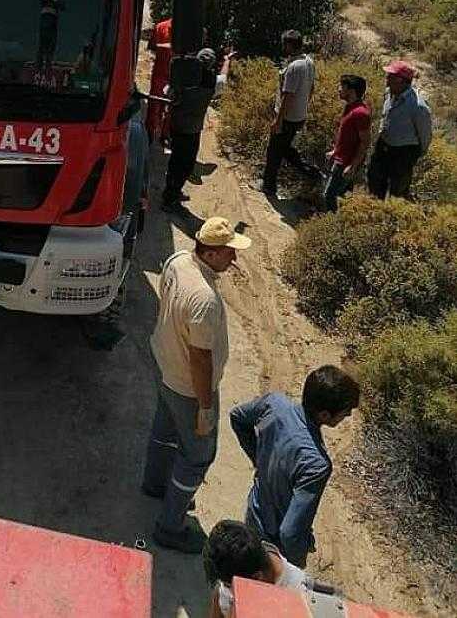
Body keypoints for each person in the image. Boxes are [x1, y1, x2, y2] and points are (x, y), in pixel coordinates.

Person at [142, 217, 254, 553]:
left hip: (165, 364)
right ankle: (170, 526)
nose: (233, 259)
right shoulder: (205, 300)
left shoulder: (178, 261)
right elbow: (201, 359)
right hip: (190, 388)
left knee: (163, 432)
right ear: (212, 253)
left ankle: (155, 485)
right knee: (197, 456)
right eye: (229, 253)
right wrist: (205, 406)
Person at [229, 366, 360, 568]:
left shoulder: (274, 404)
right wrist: (295, 567)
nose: (349, 415)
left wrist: (259, 459)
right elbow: (290, 532)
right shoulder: (316, 464)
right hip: (274, 546)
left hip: (254, 511)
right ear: (325, 415)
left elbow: (238, 417)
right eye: (345, 412)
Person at [161, 48, 233, 213]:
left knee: (176, 162)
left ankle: (172, 193)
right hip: (192, 129)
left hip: (176, 125)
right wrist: (227, 61)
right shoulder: (212, 82)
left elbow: (167, 93)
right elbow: (224, 78)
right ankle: (169, 199)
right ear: (211, 65)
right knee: (184, 165)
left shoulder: (183, 77)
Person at [203, 520, 312, 617]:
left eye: (228, 585)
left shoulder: (299, 601)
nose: (225, 589)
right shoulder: (237, 565)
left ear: (257, 578)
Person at [261, 30, 320, 197]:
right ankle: (311, 172)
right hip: (298, 116)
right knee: (285, 148)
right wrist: (304, 107)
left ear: (288, 45)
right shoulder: (309, 61)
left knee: (274, 152)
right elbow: (311, 88)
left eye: (284, 44)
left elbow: (288, 95)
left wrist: (278, 121)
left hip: (287, 117)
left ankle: (269, 186)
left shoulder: (295, 67)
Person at [367, 60, 432, 200]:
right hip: (383, 146)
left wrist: (416, 154)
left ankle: (394, 216)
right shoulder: (389, 93)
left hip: (403, 153)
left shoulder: (418, 106)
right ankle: (375, 213)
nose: (387, 79)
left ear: (402, 81)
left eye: (391, 76)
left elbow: (425, 135)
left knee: (398, 191)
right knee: (375, 183)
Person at [323, 74, 371, 212]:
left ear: (351, 91)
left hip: (345, 163)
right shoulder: (350, 107)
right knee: (342, 197)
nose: (338, 89)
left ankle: (330, 226)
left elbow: (365, 142)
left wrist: (352, 166)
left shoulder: (360, 113)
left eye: (341, 87)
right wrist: (335, 152)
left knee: (330, 196)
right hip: (341, 159)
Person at [146, 16, 173, 142]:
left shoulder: (186, 31)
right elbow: (152, 46)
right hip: (161, 74)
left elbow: (152, 47)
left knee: (169, 106)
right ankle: (151, 132)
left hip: (172, 76)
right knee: (155, 104)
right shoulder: (161, 27)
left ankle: (164, 134)